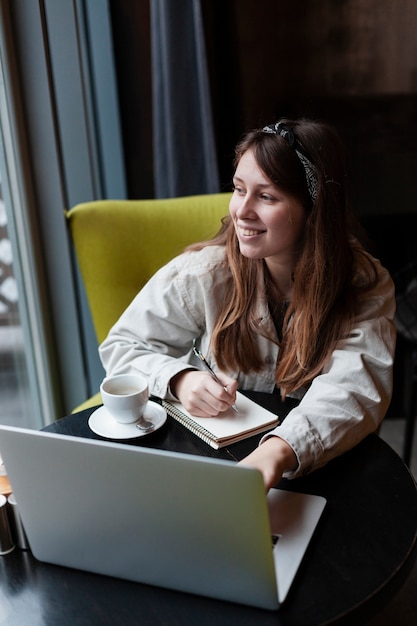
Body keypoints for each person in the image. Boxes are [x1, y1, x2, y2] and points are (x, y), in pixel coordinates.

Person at [99, 118, 396, 490]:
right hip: (214, 460)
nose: (242, 211)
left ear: (313, 209)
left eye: (266, 196)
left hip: (319, 464)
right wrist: (180, 379)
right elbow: (123, 347)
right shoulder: (204, 273)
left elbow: (354, 388)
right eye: (239, 190)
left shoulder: (364, 284)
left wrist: (278, 451)